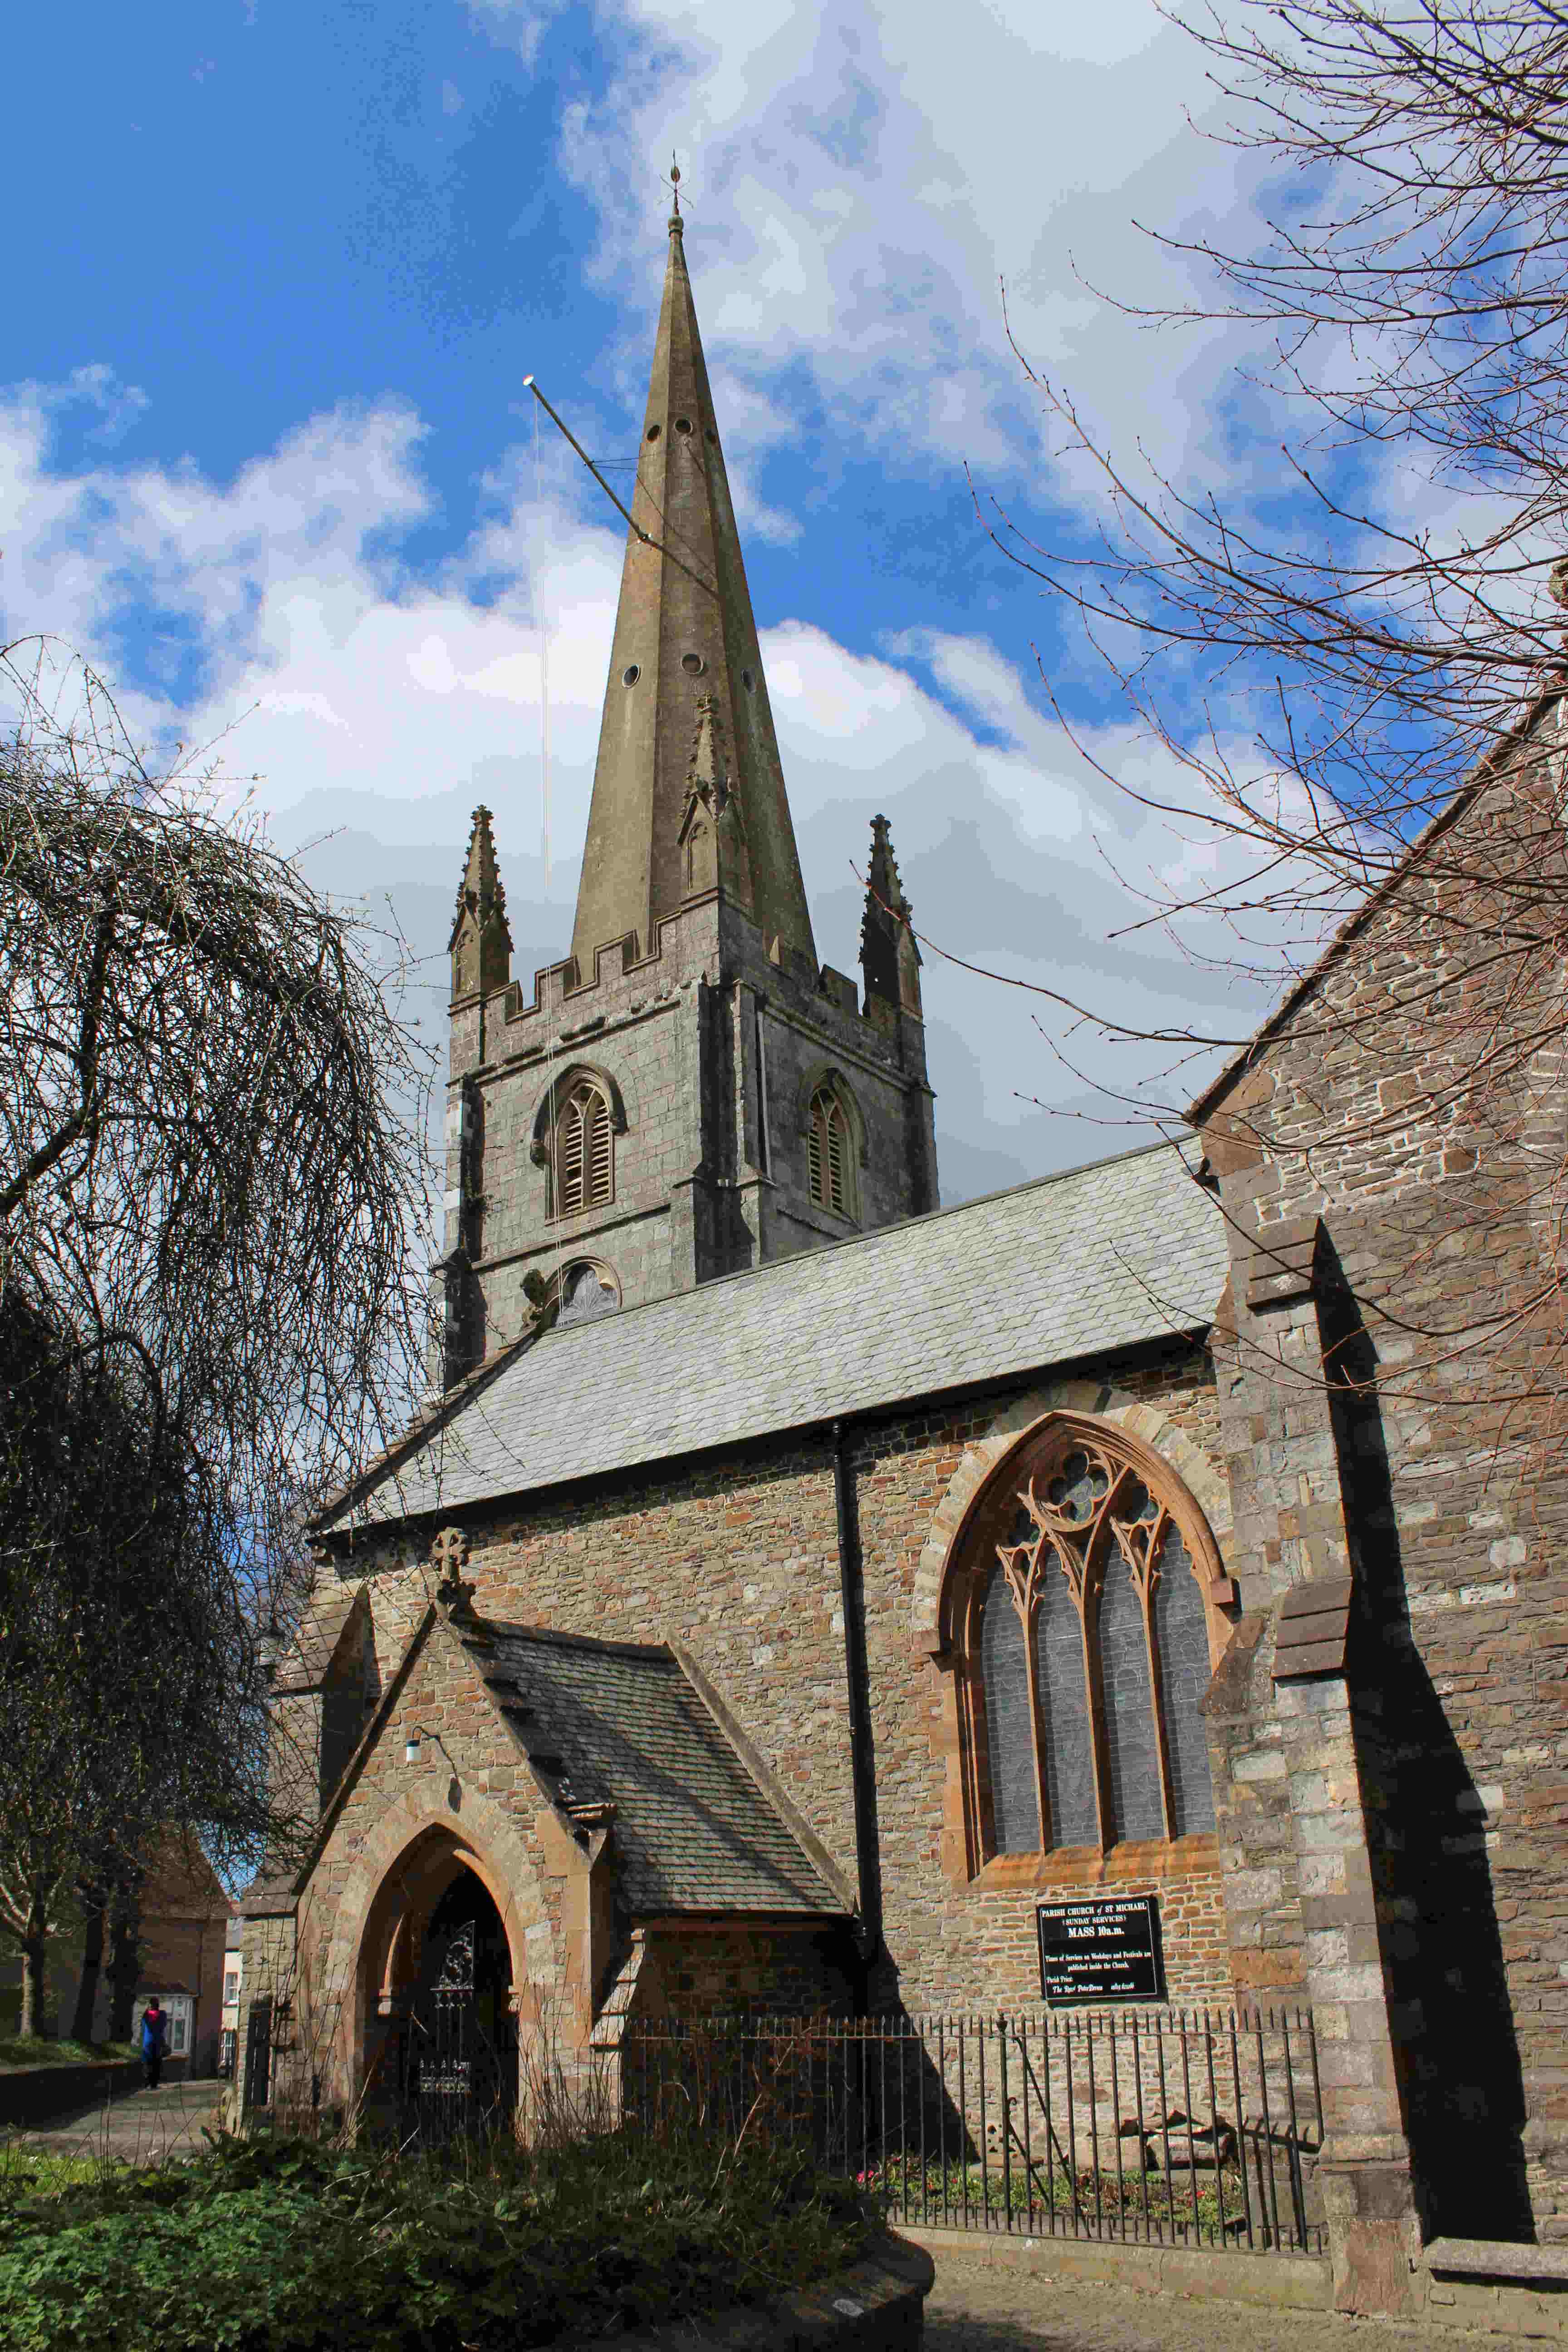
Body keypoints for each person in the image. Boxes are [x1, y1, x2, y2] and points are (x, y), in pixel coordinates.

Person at [140, 1997, 168, 2090]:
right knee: (157, 2064)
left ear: (150, 2005)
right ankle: (154, 2085)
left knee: (148, 2064)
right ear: (158, 2005)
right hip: (158, 2043)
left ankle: (147, 2084)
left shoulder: (146, 2016)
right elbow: (164, 2025)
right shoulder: (163, 2015)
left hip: (147, 2043)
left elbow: (143, 2026)